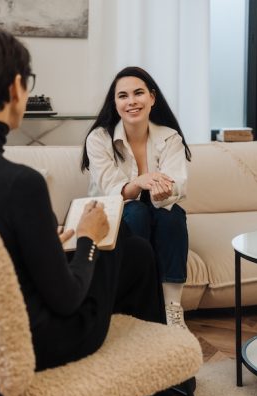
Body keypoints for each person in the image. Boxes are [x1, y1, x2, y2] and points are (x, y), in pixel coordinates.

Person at [0, 28, 164, 374]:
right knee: (127, 244)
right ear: (15, 89)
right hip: (36, 342)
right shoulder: (21, 185)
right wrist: (88, 239)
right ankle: (160, 388)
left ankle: (156, 385)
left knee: (137, 251)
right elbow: (67, 299)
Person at [82, 66, 191, 329]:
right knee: (136, 211)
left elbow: (177, 184)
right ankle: (140, 308)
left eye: (138, 93)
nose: (131, 101)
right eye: (123, 96)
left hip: (157, 210)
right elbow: (111, 189)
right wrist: (139, 182)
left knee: (173, 215)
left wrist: (163, 189)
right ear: (115, 102)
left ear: (152, 98)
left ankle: (172, 309)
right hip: (113, 213)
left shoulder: (169, 137)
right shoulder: (98, 139)